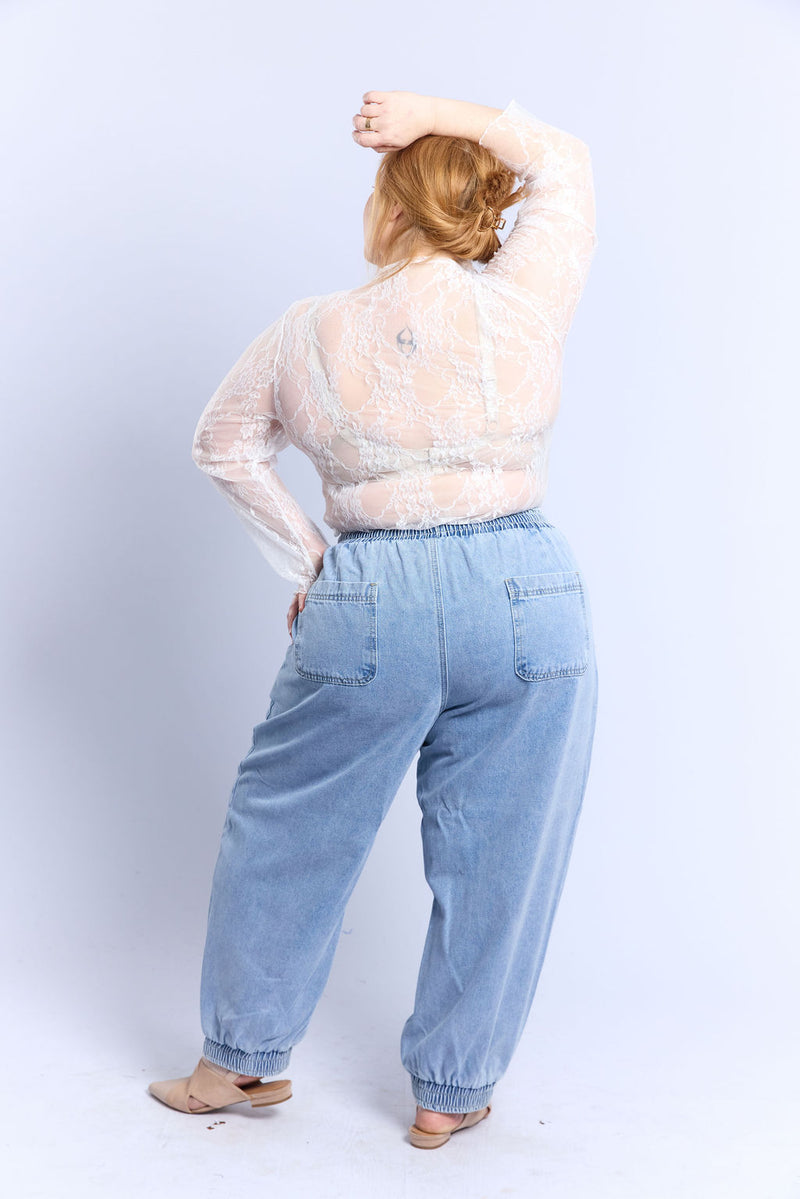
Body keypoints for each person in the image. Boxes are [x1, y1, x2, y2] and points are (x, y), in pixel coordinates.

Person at [148, 89, 600, 1150]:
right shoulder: (526, 298)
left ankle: (239, 1060)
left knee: (287, 822)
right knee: (502, 849)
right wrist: (437, 112)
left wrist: (316, 564)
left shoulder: (308, 330)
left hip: (373, 589)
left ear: (390, 209)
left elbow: (222, 443)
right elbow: (564, 161)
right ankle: (452, 1088)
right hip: (526, 590)